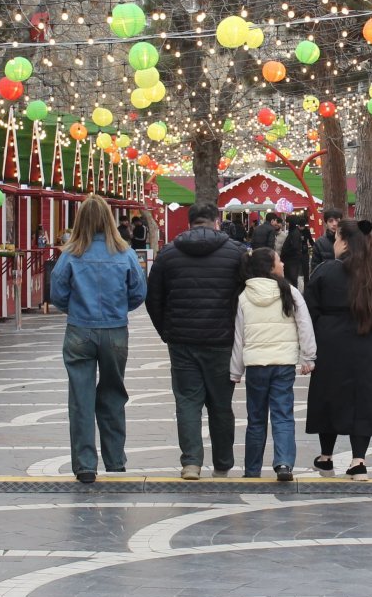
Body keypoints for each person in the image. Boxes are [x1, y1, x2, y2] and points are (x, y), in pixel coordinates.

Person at [147, 201, 246, 479]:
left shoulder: (168, 255)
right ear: (217, 221)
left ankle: (191, 462)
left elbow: (153, 298)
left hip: (182, 341)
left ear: (189, 223)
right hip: (222, 340)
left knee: (188, 402)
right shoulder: (235, 253)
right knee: (221, 403)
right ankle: (223, 462)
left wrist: (167, 331)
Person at [51, 195, 146, 481]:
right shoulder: (124, 252)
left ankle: (85, 465)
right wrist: (119, 309)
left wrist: (75, 307)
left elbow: (57, 293)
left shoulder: (71, 253)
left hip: (80, 327)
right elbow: (139, 292)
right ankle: (115, 461)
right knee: (113, 395)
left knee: (81, 398)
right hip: (115, 329)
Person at [306, 221, 372, 479]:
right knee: (364, 400)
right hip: (368, 344)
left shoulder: (325, 271)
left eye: (336, 238)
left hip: (330, 345)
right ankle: (358, 460)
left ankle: (326, 456)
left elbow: (309, 310)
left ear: (345, 242)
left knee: (329, 397)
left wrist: (319, 336)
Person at [230, 247, 316, 481]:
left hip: (256, 365)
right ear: (269, 267)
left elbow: (240, 336)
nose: (283, 264)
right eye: (279, 260)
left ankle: (252, 469)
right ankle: (284, 464)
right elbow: (304, 324)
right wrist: (309, 357)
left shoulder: (244, 295)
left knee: (255, 419)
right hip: (284, 364)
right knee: (283, 415)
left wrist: (235, 370)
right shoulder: (289, 291)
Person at [280, 214, 313, 292]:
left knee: (294, 279)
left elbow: (294, 247)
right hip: (292, 260)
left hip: (293, 260)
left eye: (287, 222)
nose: (286, 224)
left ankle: (298, 295)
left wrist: (285, 252)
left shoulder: (295, 233)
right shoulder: (293, 232)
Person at [312, 207, 343, 272]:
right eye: (330, 221)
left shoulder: (347, 240)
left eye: (337, 220)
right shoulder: (319, 243)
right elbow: (315, 269)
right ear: (326, 224)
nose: (334, 224)